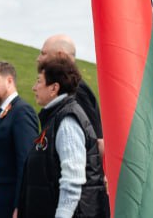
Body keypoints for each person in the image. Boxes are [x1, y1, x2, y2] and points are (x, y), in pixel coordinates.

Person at [18, 51, 109, 217]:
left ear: (54, 88)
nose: (34, 87)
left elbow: (72, 180)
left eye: (39, 81)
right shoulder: (56, 118)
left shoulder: (67, 121)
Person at [0, 60, 40, 218]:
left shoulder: (21, 111)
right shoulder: (2, 114)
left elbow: (26, 162)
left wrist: (20, 205)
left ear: (9, 81)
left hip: (8, 205)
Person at [39, 34, 104, 153]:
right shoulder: (72, 89)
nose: (39, 59)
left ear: (61, 56)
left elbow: (92, 139)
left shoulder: (76, 90)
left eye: (44, 54)